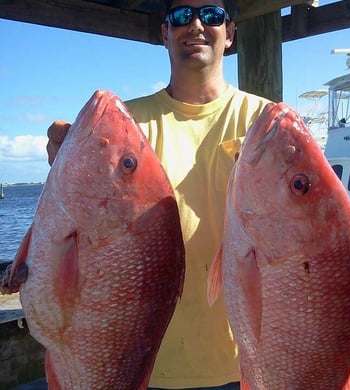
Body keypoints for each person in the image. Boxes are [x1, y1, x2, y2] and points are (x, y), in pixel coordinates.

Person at [46, 0, 272, 388]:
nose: (197, 25)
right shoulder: (121, 127)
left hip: (243, 366)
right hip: (132, 358)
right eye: (182, 16)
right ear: (164, 33)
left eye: (212, 15)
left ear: (230, 33)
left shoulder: (266, 124)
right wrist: (62, 161)